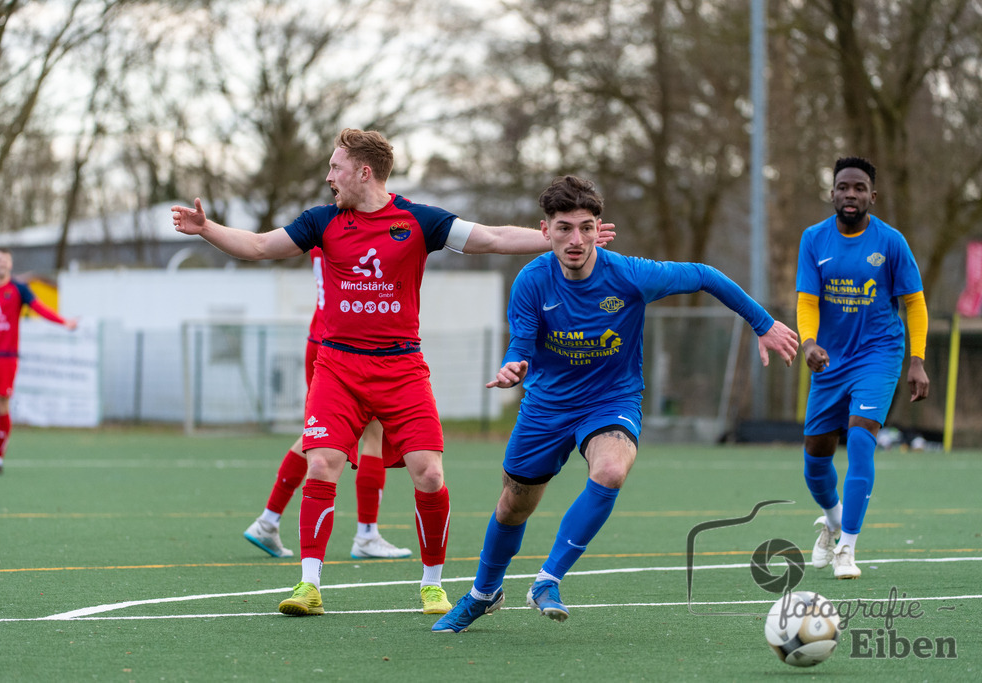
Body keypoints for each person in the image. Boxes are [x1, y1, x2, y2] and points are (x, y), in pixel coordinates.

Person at [172, 128, 613, 617]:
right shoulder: (320, 222)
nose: (328, 177)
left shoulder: (418, 221)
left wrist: (556, 236)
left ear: (363, 171)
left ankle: (431, 585)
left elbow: (492, 237)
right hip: (337, 366)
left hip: (401, 369)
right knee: (322, 464)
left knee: (429, 473)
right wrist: (207, 229)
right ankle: (308, 585)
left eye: (335, 167)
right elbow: (256, 246)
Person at [431, 175, 799, 633]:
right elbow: (521, 345)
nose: (576, 239)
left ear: (598, 226)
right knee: (512, 507)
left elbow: (705, 275)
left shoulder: (629, 274)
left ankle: (547, 580)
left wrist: (762, 323)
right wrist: (513, 367)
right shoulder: (531, 282)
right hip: (546, 408)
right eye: (563, 228)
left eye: (586, 227)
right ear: (545, 231)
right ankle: (483, 594)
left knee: (610, 470)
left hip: (611, 400)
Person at [797, 157, 929, 580]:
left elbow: (915, 303)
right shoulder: (814, 239)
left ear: (872, 196)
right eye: (842, 187)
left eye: (858, 188)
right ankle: (833, 522)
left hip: (879, 354)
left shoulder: (891, 242)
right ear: (832, 193)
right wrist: (809, 343)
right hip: (830, 359)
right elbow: (807, 302)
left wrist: (917, 360)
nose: (849, 194)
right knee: (815, 460)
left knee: (859, 442)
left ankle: (847, 549)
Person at [243, 247, 411, 560]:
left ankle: (269, 519)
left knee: (318, 435)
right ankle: (366, 534)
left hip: (321, 339)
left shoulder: (325, 225)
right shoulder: (353, 227)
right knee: (371, 433)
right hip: (348, 343)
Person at [0, 249, 78, 474]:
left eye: (6, 259)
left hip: (6, 358)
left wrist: (64, 322)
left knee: (1, 405)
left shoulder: (19, 290)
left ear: (10, 265)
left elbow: (40, 309)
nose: (2, 262)